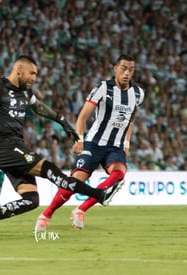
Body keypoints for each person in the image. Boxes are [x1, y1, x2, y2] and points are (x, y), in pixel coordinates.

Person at [0, 55, 119, 238]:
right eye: (31, 73)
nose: (34, 78)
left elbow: (39, 107)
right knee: (52, 171)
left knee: (31, 200)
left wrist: (63, 122)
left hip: (13, 148)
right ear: (19, 70)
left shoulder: (25, 92)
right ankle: (100, 194)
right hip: (5, 147)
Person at [35, 54, 145, 231]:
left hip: (115, 146)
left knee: (118, 175)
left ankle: (81, 210)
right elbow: (83, 116)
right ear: (115, 68)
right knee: (76, 181)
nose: (127, 73)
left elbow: (131, 120)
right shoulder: (103, 88)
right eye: (123, 68)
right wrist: (79, 139)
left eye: (131, 70)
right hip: (94, 143)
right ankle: (46, 214)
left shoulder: (138, 93)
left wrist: (126, 143)